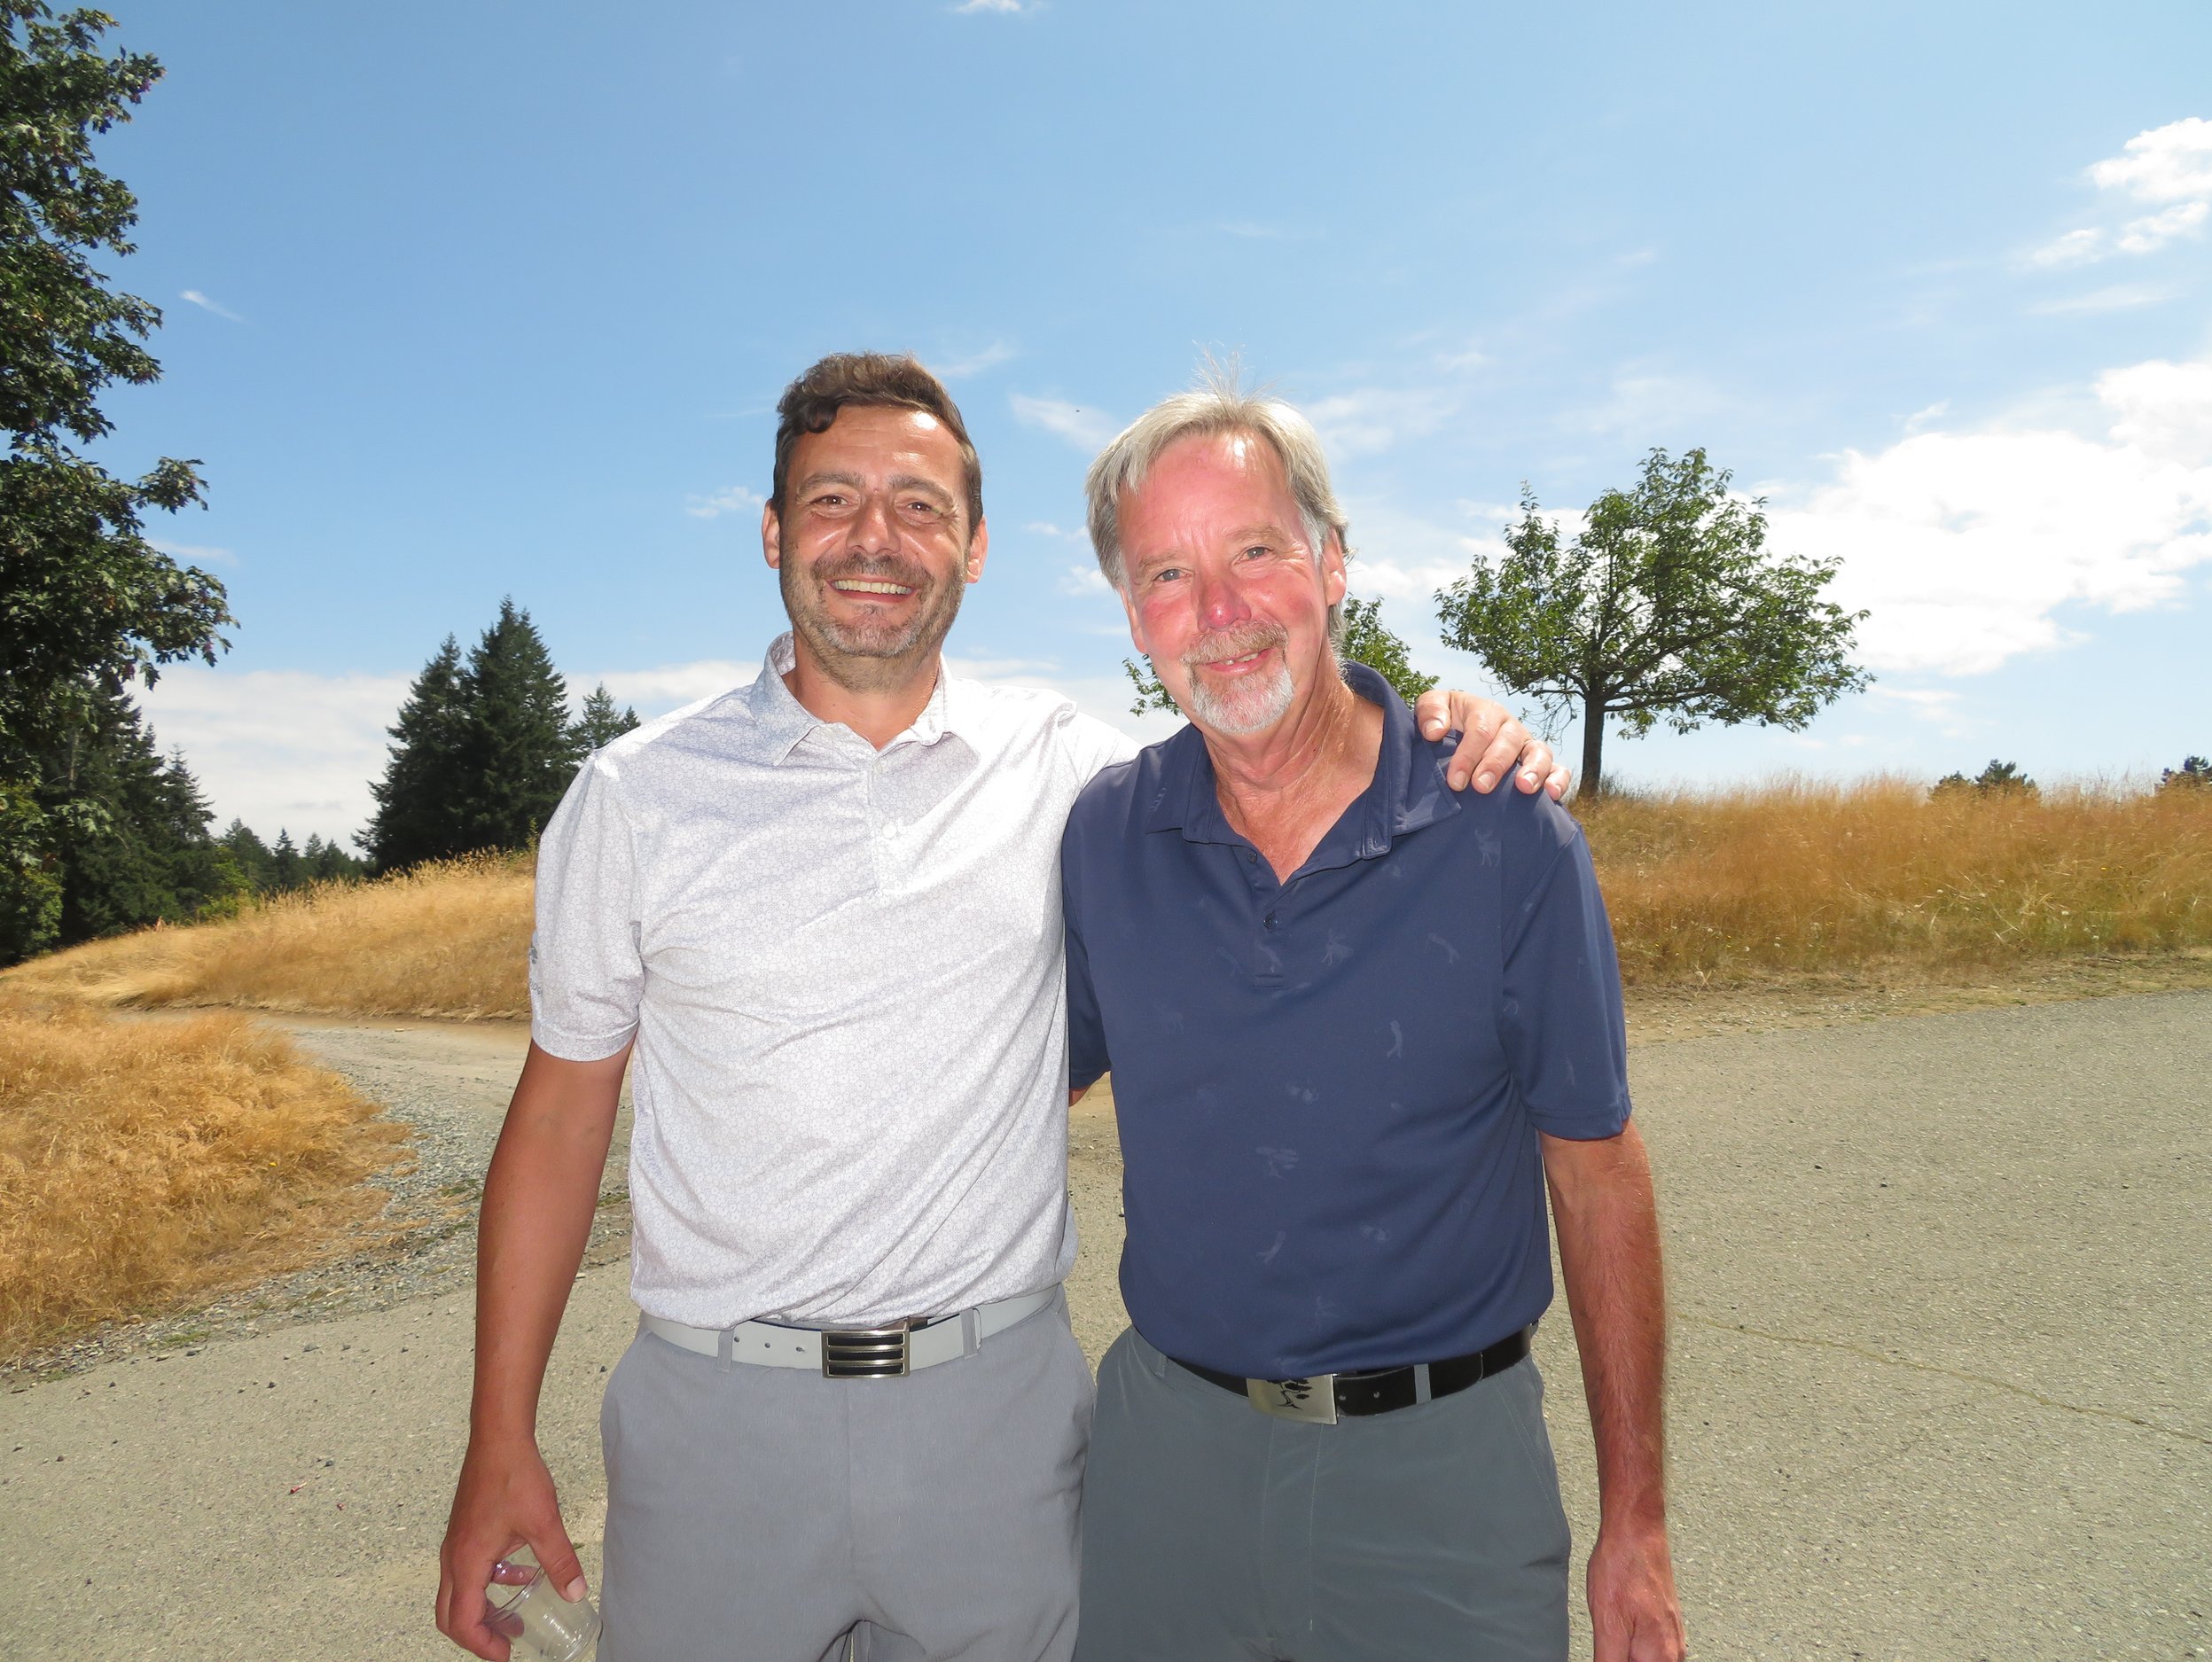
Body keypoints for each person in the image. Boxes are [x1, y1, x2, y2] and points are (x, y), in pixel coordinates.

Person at [433, 351, 1567, 1662]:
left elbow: (1281, 747)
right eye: (832, 501)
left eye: (921, 506)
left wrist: (1459, 724)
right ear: (769, 534)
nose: (876, 539)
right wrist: (497, 1438)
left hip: (1000, 1422)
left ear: (975, 549)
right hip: (713, 1426)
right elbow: (563, 1121)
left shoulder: (1077, 778)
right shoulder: (634, 796)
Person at [1062, 374, 1687, 1662]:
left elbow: (1598, 1172)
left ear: (1332, 564)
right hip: (1167, 1467)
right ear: (1133, 617)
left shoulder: (1500, 827)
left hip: (1443, 1482)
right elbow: (1005, 1082)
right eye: (1168, 576)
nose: (1221, 614)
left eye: (1255, 552)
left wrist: (1639, 1519)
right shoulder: (1107, 835)